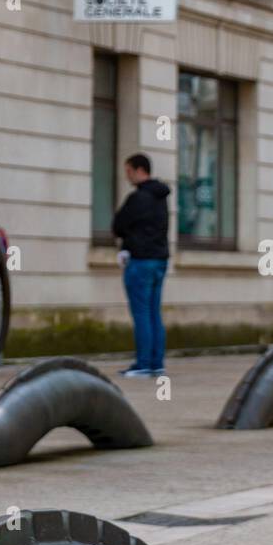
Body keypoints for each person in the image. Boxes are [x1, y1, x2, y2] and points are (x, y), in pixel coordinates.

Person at [112, 153, 170, 377]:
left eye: (128, 171)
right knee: (154, 312)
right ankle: (156, 363)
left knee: (142, 314)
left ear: (138, 170)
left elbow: (118, 224)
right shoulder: (161, 197)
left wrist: (128, 243)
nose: (126, 176)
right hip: (159, 261)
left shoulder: (138, 198)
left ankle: (143, 364)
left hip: (140, 261)